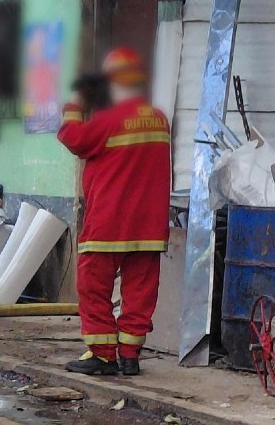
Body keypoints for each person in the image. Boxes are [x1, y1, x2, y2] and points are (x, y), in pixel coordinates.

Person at [57, 47, 171, 377]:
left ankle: (103, 355)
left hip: (109, 223)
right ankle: (130, 356)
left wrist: (75, 102)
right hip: (148, 227)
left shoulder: (108, 121)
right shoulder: (159, 119)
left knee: (93, 286)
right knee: (140, 291)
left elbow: (72, 137)